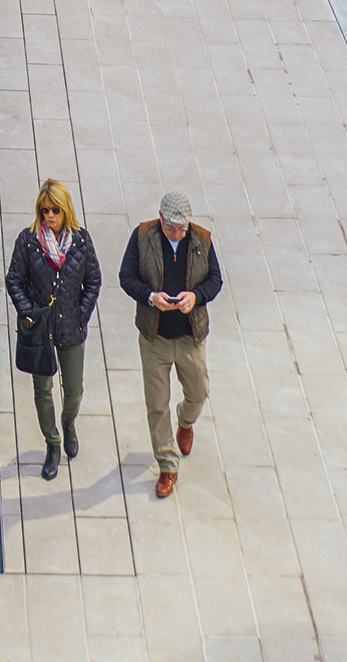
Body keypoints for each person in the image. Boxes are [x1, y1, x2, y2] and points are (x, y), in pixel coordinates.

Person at [119, 190, 223, 499]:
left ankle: (186, 421)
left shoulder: (201, 239)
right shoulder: (142, 237)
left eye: (182, 228)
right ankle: (167, 465)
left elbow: (215, 279)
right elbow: (126, 277)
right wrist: (152, 298)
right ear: (160, 219)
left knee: (199, 391)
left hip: (190, 336)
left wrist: (196, 296)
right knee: (156, 403)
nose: (177, 233)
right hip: (155, 338)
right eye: (171, 227)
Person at [6, 180, 102, 481]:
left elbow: (93, 281)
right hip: (41, 332)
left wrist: (81, 316)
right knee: (42, 391)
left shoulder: (81, 241)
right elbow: (14, 280)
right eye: (44, 210)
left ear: (66, 210)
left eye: (55, 210)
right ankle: (52, 443)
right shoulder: (28, 240)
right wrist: (30, 315)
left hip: (71, 330)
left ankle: (68, 421)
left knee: (73, 391)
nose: (49, 215)